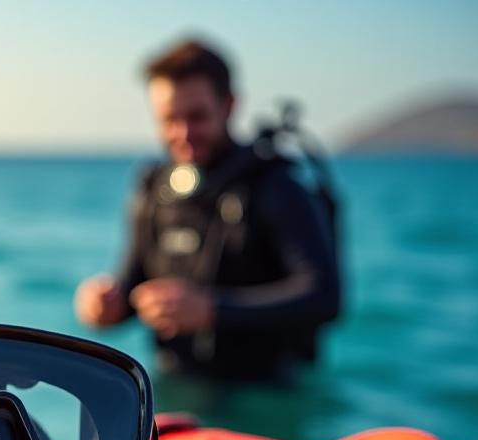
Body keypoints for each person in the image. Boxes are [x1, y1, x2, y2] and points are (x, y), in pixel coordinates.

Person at [75, 39, 341, 381]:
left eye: (197, 117)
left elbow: (324, 296)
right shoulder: (154, 188)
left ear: (229, 105)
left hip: (266, 390)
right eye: (169, 119)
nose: (182, 133)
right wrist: (106, 304)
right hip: (175, 382)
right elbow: (134, 282)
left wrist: (212, 310)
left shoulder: (274, 186)